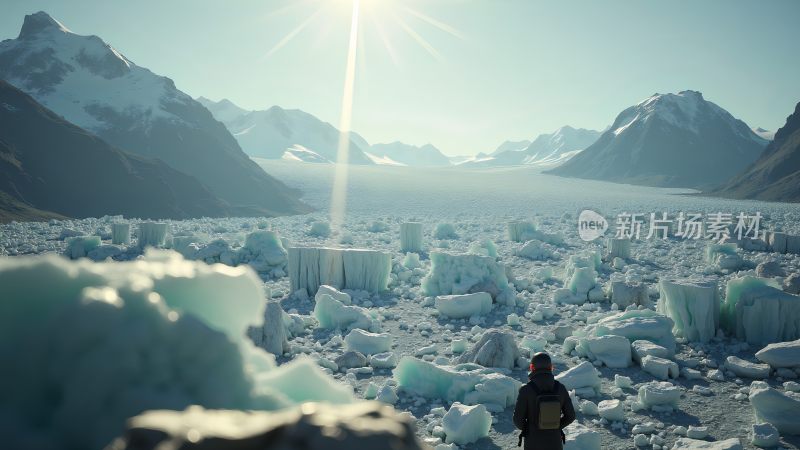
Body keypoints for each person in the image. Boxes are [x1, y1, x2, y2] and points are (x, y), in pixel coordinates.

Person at [513, 352, 575, 449]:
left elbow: (518, 420)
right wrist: (556, 426)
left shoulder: (526, 390)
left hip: (533, 443)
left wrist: (530, 430)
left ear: (532, 367)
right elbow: (571, 416)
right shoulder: (560, 388)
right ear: (551, 367)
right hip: (555, 443)